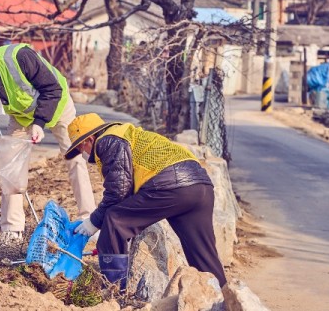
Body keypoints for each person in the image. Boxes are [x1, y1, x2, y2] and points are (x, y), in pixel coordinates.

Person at [0, 42, 96, 242]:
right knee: (10, 168)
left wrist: (40, 122)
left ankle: (89, 220)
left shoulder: (19, 57)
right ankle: (12, 230)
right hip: (22, 117)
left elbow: (52, 89)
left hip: (58, 105)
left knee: (76, 160)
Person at [65, 113, 227, 289]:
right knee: (203, 255)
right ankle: (226, 300)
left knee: (114, 221)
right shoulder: (125, 133)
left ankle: (113, 290)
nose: (83, 154)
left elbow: (118, 192)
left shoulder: (107, 140)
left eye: (81, 148)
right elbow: (126, 193)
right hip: (199, 185)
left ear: (89, 139)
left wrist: (94, 222)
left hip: (171, 186)